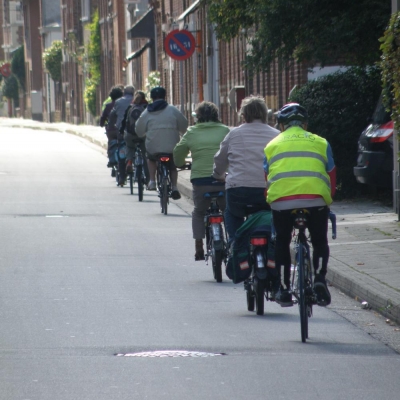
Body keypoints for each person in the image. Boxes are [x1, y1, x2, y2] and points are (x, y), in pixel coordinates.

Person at [264, 103, 336, 307]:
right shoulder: (321, 142)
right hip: (316, 200)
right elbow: (331, 176)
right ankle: (320, 278)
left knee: (282, 241)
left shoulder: (271, 145)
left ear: (281, 125)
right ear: (305, 124)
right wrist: (327, 200)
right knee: (320, 240)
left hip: (282, 203)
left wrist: (271, 199)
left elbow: (267, 180)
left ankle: (283, 288)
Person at [213, 95, 279, 241]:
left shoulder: (234, 133)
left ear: (243, 115)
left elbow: (220, 158)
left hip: (239, 190)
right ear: (265, 114)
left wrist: (218, 174)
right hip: (267, 191)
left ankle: (236, 246)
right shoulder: (277, 135)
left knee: (231, 213)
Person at [174, 101, 230, 260]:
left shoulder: (191, 132)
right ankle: (233, 241)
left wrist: (179, 163)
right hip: (222, 179)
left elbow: (178, 152)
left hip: (200, 181)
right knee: (228, 212)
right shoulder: (225, 130)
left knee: (199, 212)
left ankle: (199, 245)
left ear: (197, 117)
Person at [135, 86, 188, 199]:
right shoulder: (173, 110)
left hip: (154, 147)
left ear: (152, 98)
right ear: (165, 96)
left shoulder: (147, 112)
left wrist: (142, 134)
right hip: (171, 146)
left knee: (151, 158)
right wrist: (181, 132)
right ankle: (174, 187)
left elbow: (138, 129)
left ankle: (153, 181)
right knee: (172, 166)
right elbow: (184, 124)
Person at [109, 85, 135, 185]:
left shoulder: (118, 102)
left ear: (124, 92)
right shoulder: (136, 100)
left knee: (121, 152)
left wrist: (111, 124)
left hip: (122, 130)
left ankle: (122, 178)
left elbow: (112, 114)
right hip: (136, 129)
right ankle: (146, 177)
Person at [121, 91, 148, 178]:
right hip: (143, 135)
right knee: (145, 155)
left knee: (129, 147)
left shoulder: (130, 107)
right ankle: (149, 180)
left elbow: (124, 122)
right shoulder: (147, 107)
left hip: (131, 134)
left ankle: (129, 161)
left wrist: (121, 132)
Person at [99, 85, 124, 168]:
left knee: (111, 142)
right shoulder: (123, 105)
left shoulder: (108, 106)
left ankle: (111, 160)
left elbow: (103, 117)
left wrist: (102, 124)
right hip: (121, 130)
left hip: (111, 130)